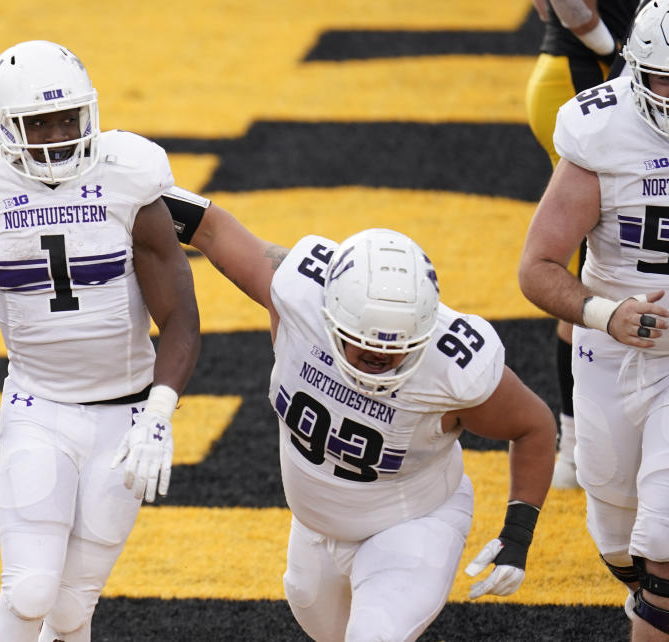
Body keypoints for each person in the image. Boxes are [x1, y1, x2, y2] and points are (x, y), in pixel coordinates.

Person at [0, 40, 201, 642]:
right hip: (39, 409)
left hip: (127, 417)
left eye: (68, 118)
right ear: (5, 127)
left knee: (71, 610)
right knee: (31, 591)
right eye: (39, 122)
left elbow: (181, 319)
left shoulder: (128, 177)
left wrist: (159, 413)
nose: (58, 134)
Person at [167, 197, 555, 641]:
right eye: (365, 344)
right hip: (314, 527)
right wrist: (129, 188)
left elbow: (533, 425)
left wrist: (519, 534)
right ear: (330, 317)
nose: (382, 358)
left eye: (398, 347)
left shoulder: (452, 369)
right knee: (320, 624)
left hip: (412, 523)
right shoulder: (299, 298)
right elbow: (211, 230)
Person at [518, 1, 669, 636]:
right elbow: (539, 266)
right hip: (611, 346)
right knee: (617, 536)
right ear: (636, 71)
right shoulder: (602, 128)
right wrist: (608, 315)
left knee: (664, 544)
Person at [525, 0, 639, 489]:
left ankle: (579, 444)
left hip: (586, 66)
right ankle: (574, 446)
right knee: (589, 258)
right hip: (584, 71)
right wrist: (617, 50)